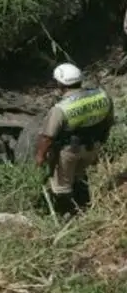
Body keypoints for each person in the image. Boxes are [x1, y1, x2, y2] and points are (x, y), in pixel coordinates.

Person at [35, 63, 115, 215]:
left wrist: (40, 157)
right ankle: (85, 209)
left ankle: (67, 216)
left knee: (61, 186)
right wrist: (102, 142)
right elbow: (108, 121)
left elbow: (47, 137)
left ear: (60, 83)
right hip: (93, 146)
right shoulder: (102, 95)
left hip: (69, 151)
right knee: (79, 176)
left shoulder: (61, 109)